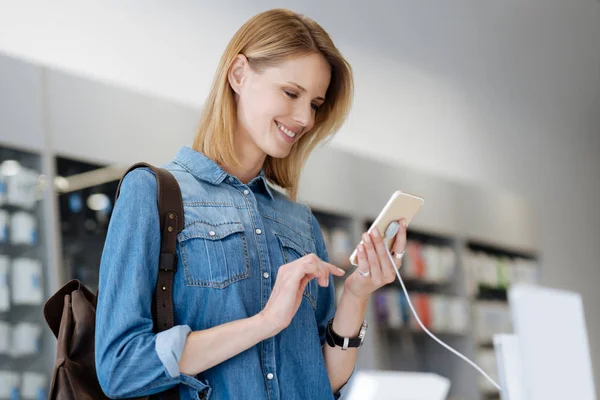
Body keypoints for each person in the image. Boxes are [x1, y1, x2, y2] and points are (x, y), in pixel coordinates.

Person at [95, 8, 407, 400]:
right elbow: (120, 368)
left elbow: (320, 382)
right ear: (239, 74)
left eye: (314, 103)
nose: (304, 118)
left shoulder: (300, 222)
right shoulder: (153, 193)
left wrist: (358, 294)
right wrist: (264, 322)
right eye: (291, 93)